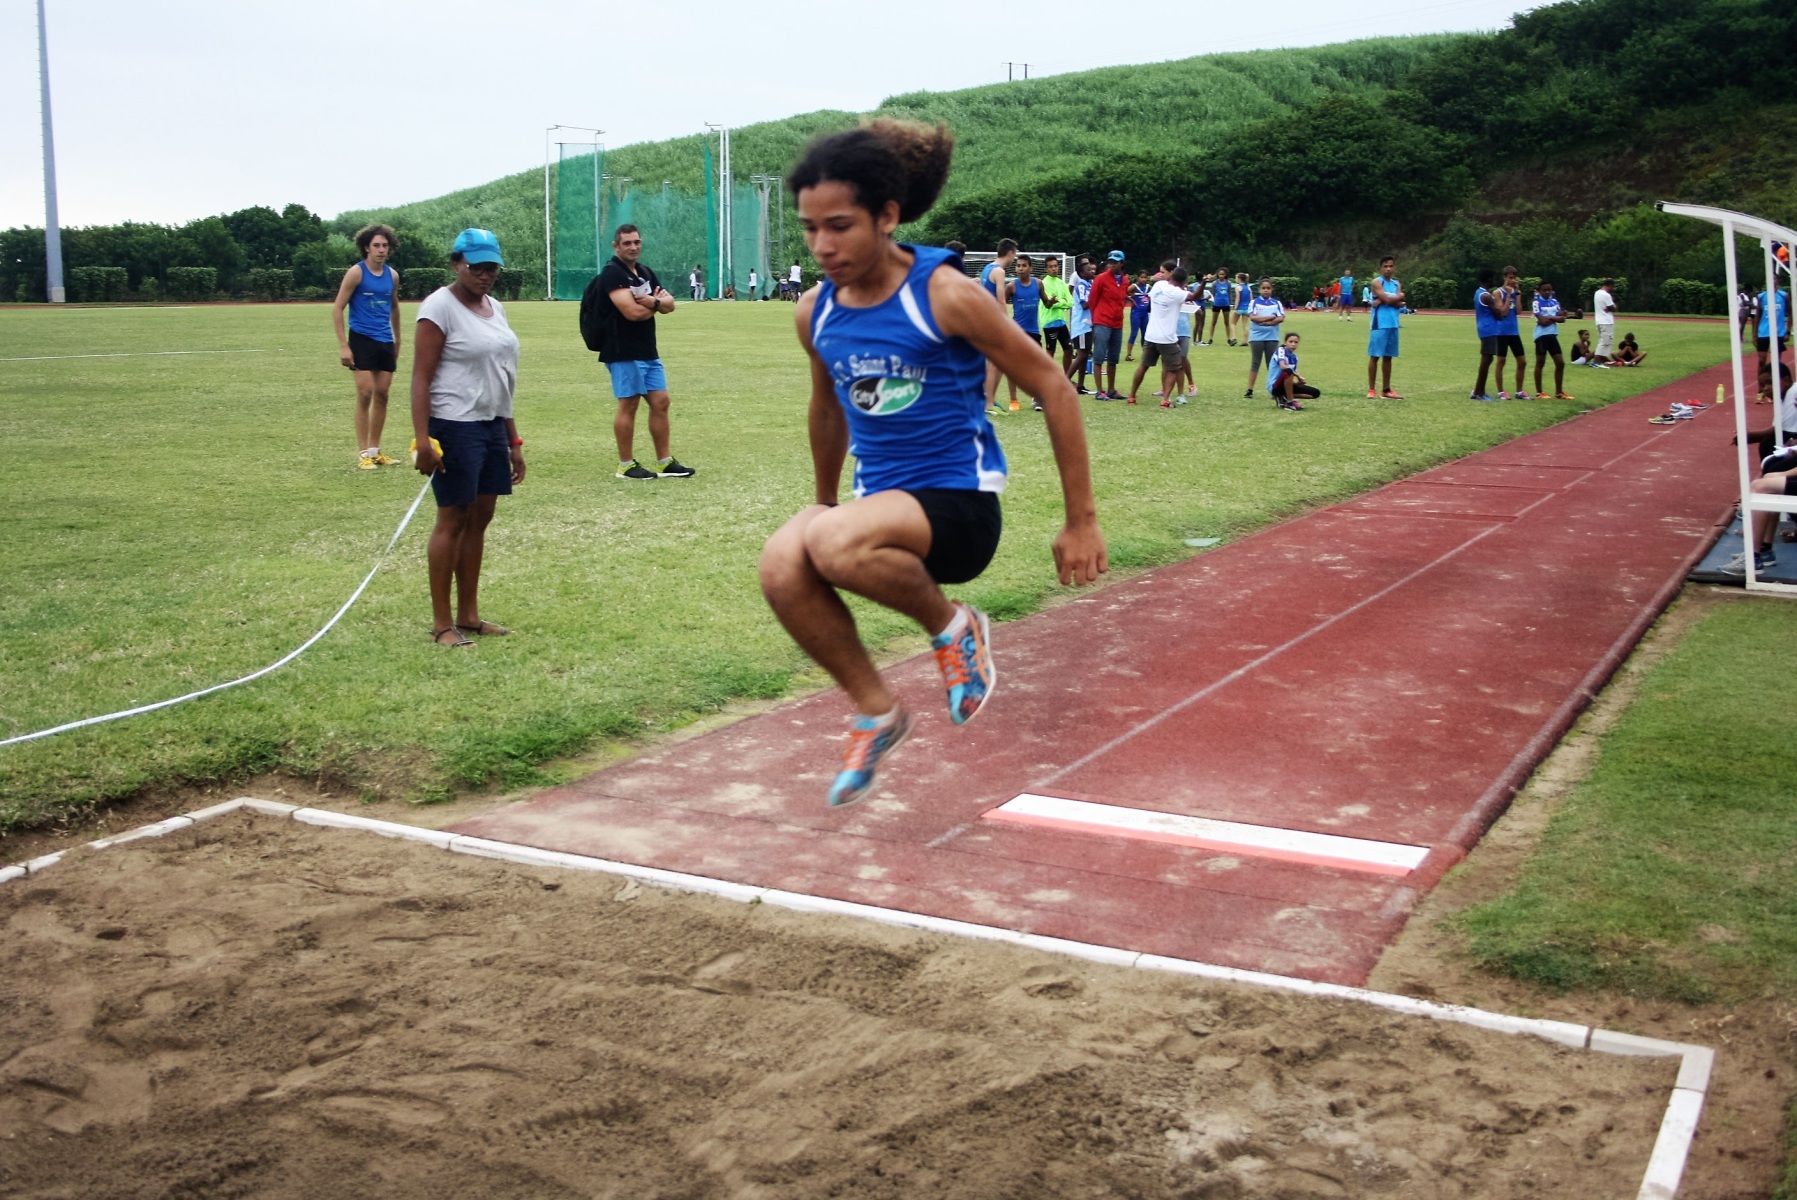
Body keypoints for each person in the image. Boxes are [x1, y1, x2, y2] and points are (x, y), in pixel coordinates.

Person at [762, 119, 1106, 807]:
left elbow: (1053, 384)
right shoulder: (814, 312)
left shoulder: (944, 294)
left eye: (839, 226)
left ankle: (955, 629)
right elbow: (827, 407)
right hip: (877, 513)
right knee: (780, 563)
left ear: (887, 217)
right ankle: (876, 711)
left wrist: (1081, 521)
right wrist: (823, 499)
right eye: (809, 229)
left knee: (831, 541)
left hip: (959, 507)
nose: (822, 246)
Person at [410, 228, 523, 648]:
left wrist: (513, 441)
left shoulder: (495, 307)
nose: (485, 274)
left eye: (492, 267)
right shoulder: (439, 307)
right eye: (476, 267)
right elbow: (420, 378)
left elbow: (503, 378)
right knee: (453, 519)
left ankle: (469, 616)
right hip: (454, 425)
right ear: (457, 263)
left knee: (480, 519)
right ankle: (443, 625)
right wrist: (423, 440)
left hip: (491, 424)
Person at [592, 224, 696, 480]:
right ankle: (625, 465)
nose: (633, 247)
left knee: (661, 402)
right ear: (616, 246)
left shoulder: (644, 272)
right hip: (622, 349)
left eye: (636, 242)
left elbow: (670, 305)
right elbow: (632, 312)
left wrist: (654, 302)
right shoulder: (612, 274)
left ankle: (664, 462)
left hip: (647, 349)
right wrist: (656, 305)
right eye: (627, 243)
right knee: (629, 404)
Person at [332, 223, 402, 469]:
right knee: (365, 392)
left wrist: (398, 339)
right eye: (376, 245)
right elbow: (338, 308)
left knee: (382, 393)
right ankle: (363, 454)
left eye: (385, 246)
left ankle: (375, 450)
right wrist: (344, 346)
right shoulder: (356, 273)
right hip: (361, 338)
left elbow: (394, 308)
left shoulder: (392, 276)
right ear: (366, 248)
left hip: (385, 340)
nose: (381, 250)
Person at [1125, 266, 1188, 407]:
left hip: (1151, 335)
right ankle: (1165, 400)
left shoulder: (1158, 286)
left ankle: (1131, 397)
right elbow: (1194, 297)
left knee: (1143, 366)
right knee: (1173, 369)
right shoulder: (1177, 292)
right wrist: (1203, 283)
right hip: (1167, 338)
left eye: (1163, 272)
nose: (1161, 274)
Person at [1470, 268, 1520, 402]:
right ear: (1488, 279)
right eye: (1492, 278)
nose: (1494, 280)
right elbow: (1500, 314)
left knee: (1487, 360)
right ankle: (1479, 393)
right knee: (1486, 361)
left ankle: (1477, 391)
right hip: (1489, 330)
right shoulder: (1487, 296)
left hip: (1483, 329)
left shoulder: (1478, 292)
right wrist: (1508, 296)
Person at [980, 238, 1018, 413]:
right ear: (1010, 252)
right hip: (992, 321)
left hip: (985, 319)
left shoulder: (987, 268)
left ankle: (990, 399)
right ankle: (987, 403)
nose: (1014, 258)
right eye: (1014, 254)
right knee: (996, 362)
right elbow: (1001, 300)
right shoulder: (999, 271)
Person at [1089, 251, 1129, 400]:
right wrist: (1095, 320)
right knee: (1099, 357)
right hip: (1102, 321)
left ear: (1122, 263)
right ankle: (1100, 391)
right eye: (1110, 261)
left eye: (1115, 262)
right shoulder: (1100, 278)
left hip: (1117, 322)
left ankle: (1111, 389)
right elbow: (1092, 300)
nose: (1112, 264)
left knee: (1113, 358)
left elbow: (1122, 299)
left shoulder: (1125, 280)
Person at [1005, 254, 1042, 411]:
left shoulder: (1038, 284)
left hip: (1034, 332)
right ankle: (1014, 401)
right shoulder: (1011, 286)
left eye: (1024, 265)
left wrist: (1051, 301)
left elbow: (1046, 302)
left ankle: (1037, 398)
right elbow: (999, 304)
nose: (1020, 268)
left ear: (1030, 268)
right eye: (1018, 265)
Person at [1530, 280, 1577, 400]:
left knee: (1560, 363)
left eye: (1549, 290)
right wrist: (1555, 317)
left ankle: (1559, 392)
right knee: (1540, 362)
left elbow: (1562, 318)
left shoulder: (1554, 301)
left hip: (1552, 335)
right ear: (1539, 291)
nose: (1547, 292)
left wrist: (1551, 317)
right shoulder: (1536, 302)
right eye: (1544, 290)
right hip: (1541, 335)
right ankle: (1539, 392)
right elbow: (1542, 321)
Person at [1365, 256, 1404, 399]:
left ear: (1394, 267)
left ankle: (1386, 390)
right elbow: (1391, 299)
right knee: (1375, 356)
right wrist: (1396, 298)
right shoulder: (1377, 282)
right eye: (1385, 266)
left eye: (1391, 266)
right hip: (1379, 323)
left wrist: (1383, 300)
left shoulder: (1396, 284)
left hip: (1393, 323)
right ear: (1380, 268)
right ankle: (1371, 389)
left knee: (1388, 357)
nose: (1388, 269)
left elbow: (1401, 303)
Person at [1242, 277, 1284, 398]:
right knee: (1255, 362)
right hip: (1256, 336)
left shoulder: (1276, 303)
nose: (1266, 290)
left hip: (1272, 336)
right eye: (1263, 288)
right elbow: (1253, 317)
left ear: (1272, 289)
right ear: (1259, 289)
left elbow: (1281, 318)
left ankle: (1274, 389)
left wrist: (1267, 322)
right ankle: (1250, 390)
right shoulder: (1254, 302)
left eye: (1268, 288)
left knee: (1271, 363)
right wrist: (1270, 317)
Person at [1039, 254, 1074, 379]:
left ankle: (1067, 379)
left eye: (1055, 266)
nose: (1054, 269)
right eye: (1051, 267)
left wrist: (1059, 301)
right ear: (1046, 269)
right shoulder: (1044, 284)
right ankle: (1047, 380)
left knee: (1069, 349)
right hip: (1049, 322)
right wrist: (1062, 301)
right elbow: (1049, 303)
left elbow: (1070, 302)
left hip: (1061, 321)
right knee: (1050, 351)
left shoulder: (1062, 283)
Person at [1066, 254, 1096, 395]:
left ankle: (1080, 386)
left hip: (1088, 325)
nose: (1092, 271)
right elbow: (1084, 305)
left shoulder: (1089, 284)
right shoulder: (1082, 285)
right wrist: (1096, 297)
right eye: (1089, 270)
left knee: (1085, 354)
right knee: (1082, 354)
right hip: (1081, 325)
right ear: (1082, 274)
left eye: (1092, 269)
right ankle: (1064, 381)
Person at [1268, 332, 1318, 411]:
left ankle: (1283, 397)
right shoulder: (1281, 350)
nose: (1293, 344)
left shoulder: (1294, 357)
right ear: (1285, 342)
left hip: (1285, 385)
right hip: (1275, 386)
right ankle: (1290, 402)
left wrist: (1298, 383)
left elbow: (1290, 379)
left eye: (1296, 342)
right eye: (1290, 342)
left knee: (1315, 393)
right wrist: (1298, 376)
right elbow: (1283, 366)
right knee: (1288, 371)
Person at [1757, 282, 1790, 372]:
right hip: (1763, 331)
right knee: (1761, 360)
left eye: (1774, 278)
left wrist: (1788, 331)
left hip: (1778, 332)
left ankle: (1774, 379)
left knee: (1776, 361)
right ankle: (1761, 380)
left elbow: (1790, 313)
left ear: (1777, 281)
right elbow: (1757, 316)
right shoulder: (1761, 297)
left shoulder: (1784, 296)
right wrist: (1754, 334)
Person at [1125, 270, 1150, 360]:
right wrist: (1131, 299)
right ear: (1138, 277)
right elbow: (1123, 292)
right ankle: (1128, 354)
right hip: (1136, 313)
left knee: (1145, 334)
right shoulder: (1134, 286)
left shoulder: (1148, 287)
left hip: (1145, 314)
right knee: (1134, 333)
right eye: (1141, 277)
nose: (1143, 279)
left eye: (1145, 277)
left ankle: (1145, 354)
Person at [1592, 278, 1618, 363]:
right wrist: (1613, 306)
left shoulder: (1597, 293)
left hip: (1599, 320)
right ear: (1610, 285)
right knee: (1605, 342)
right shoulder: (1606, 295)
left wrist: (1609, 308)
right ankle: (1596, 361)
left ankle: (1602, 360)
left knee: (1602, 340)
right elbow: (1613, 308)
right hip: (1606, 321)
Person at [1207, 267, 1234, 346]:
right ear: (1218, 275)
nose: (1221, 276)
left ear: (1225, 275)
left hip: (1225, 304)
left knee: (1226, 322)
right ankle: (1210, 338)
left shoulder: (1228, 283)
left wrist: (1230, 303)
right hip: (1216, 304)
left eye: (1223, 274)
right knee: (1213, 322)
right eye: (1220, 274)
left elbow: (1230, 293)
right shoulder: (1215, 283)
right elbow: (1212, 294)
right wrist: (1212, 304)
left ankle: (1228, 339)